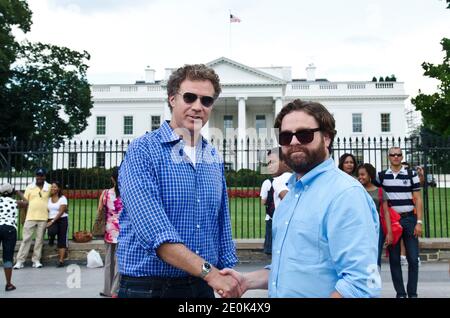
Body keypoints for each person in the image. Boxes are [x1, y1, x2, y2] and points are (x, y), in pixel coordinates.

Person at [220, 99, 380, 298]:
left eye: (304, 134)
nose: (294, 142)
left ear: (327, 138)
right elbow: (288, 269)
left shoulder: (345, 195)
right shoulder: (291, 195)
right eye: (286, 137)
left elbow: (360, 284)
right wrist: (246, 281)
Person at [117, 64, 239, 298]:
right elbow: (154, 232)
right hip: (150, 287)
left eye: (206, 101)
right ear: (172, 99)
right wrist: (211, 274)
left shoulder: (212, 156)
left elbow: (221, 224)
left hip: (202, 287)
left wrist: (226, 273)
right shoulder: (143, 151)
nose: (198, 107)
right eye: (190, 97)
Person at [378, 147, 422, 298]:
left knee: (413, 259)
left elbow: (418, 199)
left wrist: (419, 222)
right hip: (392, 221)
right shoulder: (382, 176)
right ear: (389, 157)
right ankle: (400, 293)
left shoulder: (411, 174)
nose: (396, 157)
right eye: (393, 155)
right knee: (395, 259)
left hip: (409, 218)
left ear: (402, 156)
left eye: (399, 155)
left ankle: (412, 293)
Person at [357, 163, 393, 267]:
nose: (360, 177)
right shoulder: (357, 190)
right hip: (360, 227)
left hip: (376, 228)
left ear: (370, 175)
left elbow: (386, 212)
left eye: (363, 174)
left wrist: (389, 233)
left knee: (375, 257)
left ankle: (375, 280)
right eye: (359, 175)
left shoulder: (380, 191)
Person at [14, 168, 51, 269]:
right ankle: (20, 261)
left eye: (41, 175)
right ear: (35, 176)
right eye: (38, 175)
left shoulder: (49, 187)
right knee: (26, 240)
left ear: (45, 176)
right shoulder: (29, 187)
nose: (40, 177)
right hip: (30, 217)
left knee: (39, 241)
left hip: (43, 217)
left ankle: (36, 260)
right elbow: (25, 202)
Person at [260, 148, 292, 255]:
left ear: (285, 162)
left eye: (272, 162)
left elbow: (289, 201)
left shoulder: (278, 181)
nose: (269, 166)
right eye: (268, 163)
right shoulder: (299, 177)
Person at [99, 168, 122, 298]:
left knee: (109, 262)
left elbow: (100, 210)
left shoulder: (106, 193)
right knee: (120, 262)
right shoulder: (126, 192)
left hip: (109, 230)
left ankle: (107, 289)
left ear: (112, 179)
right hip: (123, 231)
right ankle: (115, 290)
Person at [0, 183, 27, 291]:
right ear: (12, 192)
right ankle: (8, 284)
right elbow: (27, 202)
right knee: (7, 257)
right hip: (10, 230)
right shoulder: (16, 202)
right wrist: (18, 192)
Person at [46, 181, 69, 267]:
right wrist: (48, 220)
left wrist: (52, 221)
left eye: (55, 187)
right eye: (52, 187)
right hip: (51, 219)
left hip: (62, 219)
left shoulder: (63, 198)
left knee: (62, 239)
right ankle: (51, 238)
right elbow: (47, 210)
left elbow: (61, 212)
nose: (53, 188)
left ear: (58, 189)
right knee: (51, 231)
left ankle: (61, 260)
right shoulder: (48, 199)